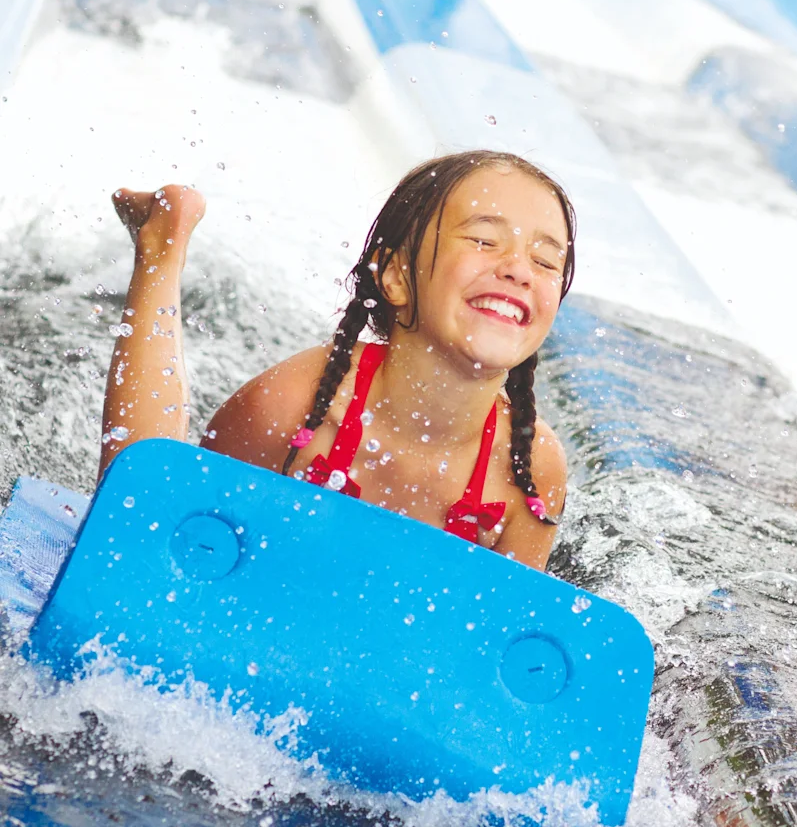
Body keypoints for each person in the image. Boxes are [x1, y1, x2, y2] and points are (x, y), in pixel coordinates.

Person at [100, 150, 573, 571]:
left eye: (546, 262)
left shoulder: (528, 471)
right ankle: (161, 248)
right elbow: (169, 546)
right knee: (137, 509)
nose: (519, 269)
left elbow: (504, 632)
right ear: (396, 276)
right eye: (484, 241)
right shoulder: (291, 407)